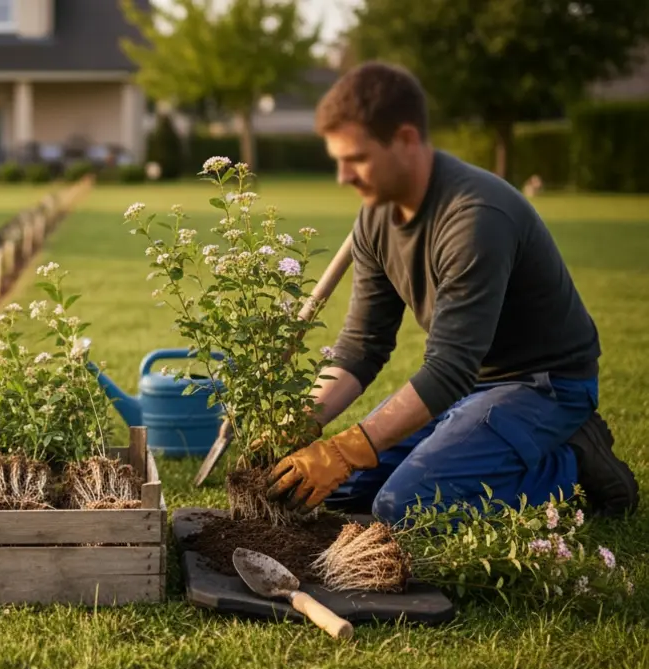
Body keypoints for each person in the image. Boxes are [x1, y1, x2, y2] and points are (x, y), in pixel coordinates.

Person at [266, 61, 639, 525]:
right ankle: (486, 442)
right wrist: (300, 422)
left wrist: (345, 450)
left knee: (402, 507)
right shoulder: (375, 219)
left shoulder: (475, 217)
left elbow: (448, 370)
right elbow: (361, 348)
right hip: (470, 388)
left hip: (544, 384)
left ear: (405, 140)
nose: (343, 176)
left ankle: (571, 463)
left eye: (356, 158)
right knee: (341, 495)